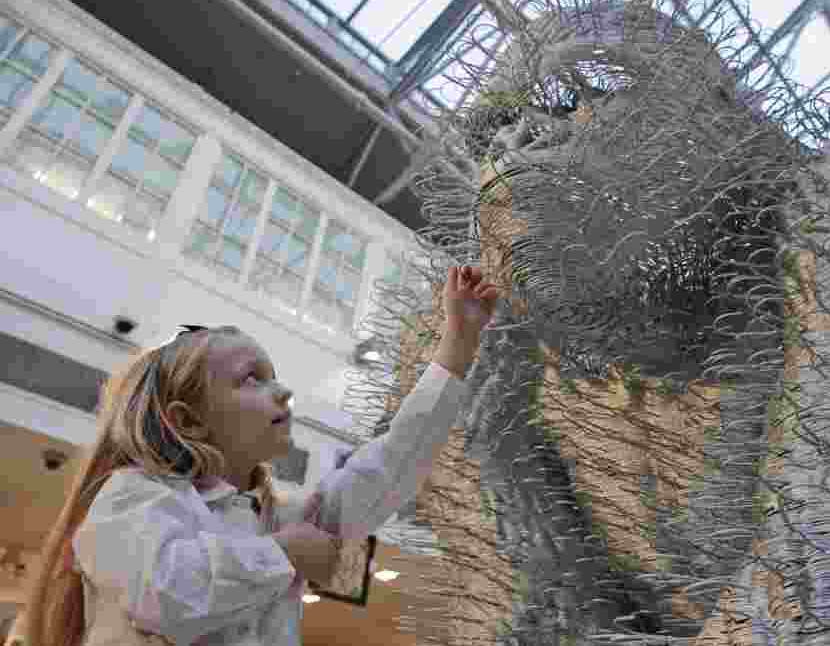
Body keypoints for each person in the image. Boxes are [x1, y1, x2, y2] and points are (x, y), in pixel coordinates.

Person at [19, 266, 498, 646]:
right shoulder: (131, 498)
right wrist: (286, 553)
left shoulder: (281, 516)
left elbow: (392, 463)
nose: (284, 391)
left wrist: (457, 347)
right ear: (188, 421)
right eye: (253, 378)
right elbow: (166, 592)